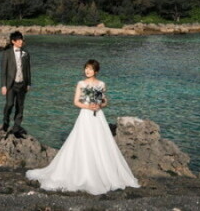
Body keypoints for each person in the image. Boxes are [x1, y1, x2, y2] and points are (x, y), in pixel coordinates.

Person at [26, 59, 139, 195]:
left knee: (101, 143)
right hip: (85, 115)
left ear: (96, 71)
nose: (87, 71)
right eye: (86, 68)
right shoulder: (81, 84)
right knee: (83, 141)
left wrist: (100, 105)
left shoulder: (101, 84)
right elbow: (76, 102)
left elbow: (105, 100)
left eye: (90, 69)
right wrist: (88, 106)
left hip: (98, 116)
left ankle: (102, 172)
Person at [1, 31, 31, 138]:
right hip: (10, 84)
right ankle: (5, 121)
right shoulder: (7, 53)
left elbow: (28, 70)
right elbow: (3, 71)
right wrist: (3, 85)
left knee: (20, 107)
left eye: (22, 40)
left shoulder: (26, 54)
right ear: (13, 41)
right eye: (19, 40)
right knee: (9, 104)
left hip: (22, 84)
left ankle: (16, 129)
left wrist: (29, 83)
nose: (21, 42)